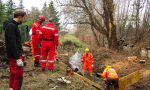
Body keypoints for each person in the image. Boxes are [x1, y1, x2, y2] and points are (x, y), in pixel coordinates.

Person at [4, 10, 26, 90]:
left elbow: (16, 42)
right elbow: (12, 43)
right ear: (19, 17)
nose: (23, 20)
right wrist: (17, 58)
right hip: (15, 56)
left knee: (13, 74)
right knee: (18, 76)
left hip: (15, 55)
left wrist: (22, 53)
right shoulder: (11, 26)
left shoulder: (13, 25)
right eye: (23, 18)